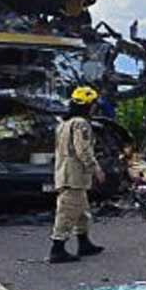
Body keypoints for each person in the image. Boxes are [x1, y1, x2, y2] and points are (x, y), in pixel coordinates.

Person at [48, 86, 106, 264]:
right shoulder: (81, 124)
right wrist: (96, 169)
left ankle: (84, 242)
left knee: (82, 212)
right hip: (73, 175)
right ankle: (57, 249)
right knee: (67, 212)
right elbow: (83, 150)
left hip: (66, 173)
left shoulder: (63, 124)